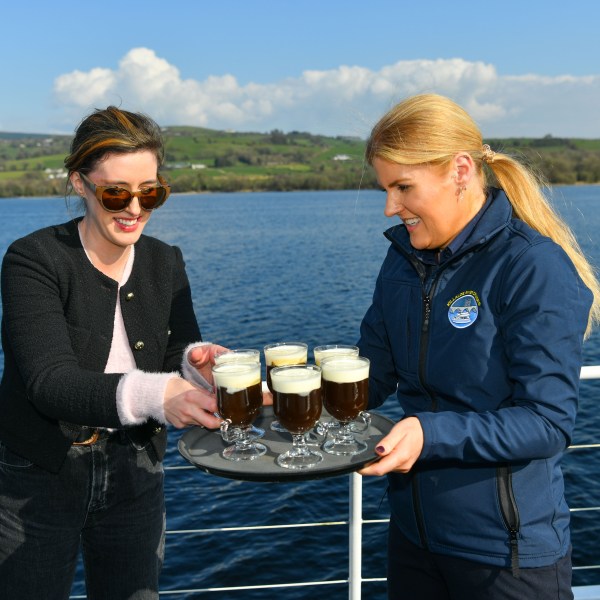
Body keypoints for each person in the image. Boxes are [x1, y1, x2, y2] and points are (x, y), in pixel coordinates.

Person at [357, 93, 600, 600]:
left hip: (505, 559)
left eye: (403, 187)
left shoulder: (532, 266)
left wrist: (429, 433)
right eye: (386, 188)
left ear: (460, 170)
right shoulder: (403, 260)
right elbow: (373, 377)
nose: (389, 207)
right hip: (413, 539)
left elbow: (547, 422)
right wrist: (288, 390)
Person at [0, 106, 227, 600]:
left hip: (135, 468)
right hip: (38, 476)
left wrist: (194, 365)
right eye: (116, 192)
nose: (134, 208)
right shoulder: (32, 259)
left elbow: (172, 356)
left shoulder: (165, 260)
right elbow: (49, 382)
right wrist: (159, 394)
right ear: (80, 184)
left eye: (150, 192)